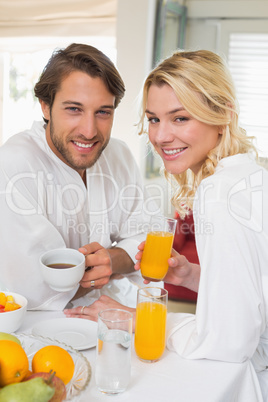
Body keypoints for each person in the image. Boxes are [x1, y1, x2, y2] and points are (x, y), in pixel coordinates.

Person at [66, 49, 268, 399]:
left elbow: (229, 343)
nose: (160, 137)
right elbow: (254, 293)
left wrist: (136, 316)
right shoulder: (248, 175)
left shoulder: (219, 193)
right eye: (154, 119)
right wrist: (191, 275)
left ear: (222, 116)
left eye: (179, 118)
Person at [0, 43, 157, 310]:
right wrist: (116, 262)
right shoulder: (14, 164)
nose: (89, 130)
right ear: (45, 107)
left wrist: (111, 260)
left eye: (103, 112)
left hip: (117, 309)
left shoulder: (118, 154)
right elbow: (35, 285)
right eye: (74, 109)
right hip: (40, 323)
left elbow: (148, 239)